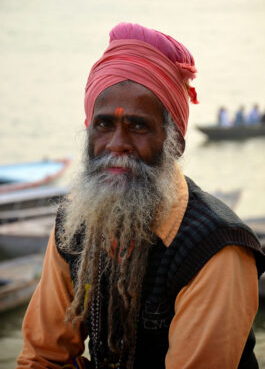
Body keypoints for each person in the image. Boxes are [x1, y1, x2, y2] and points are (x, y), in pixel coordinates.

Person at [17, 23, 265, 369]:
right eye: (104, 125)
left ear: (174, 142)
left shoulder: (216, 248)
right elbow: (41, 357)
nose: (117, 144)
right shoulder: (74, 222)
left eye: (138, 126)